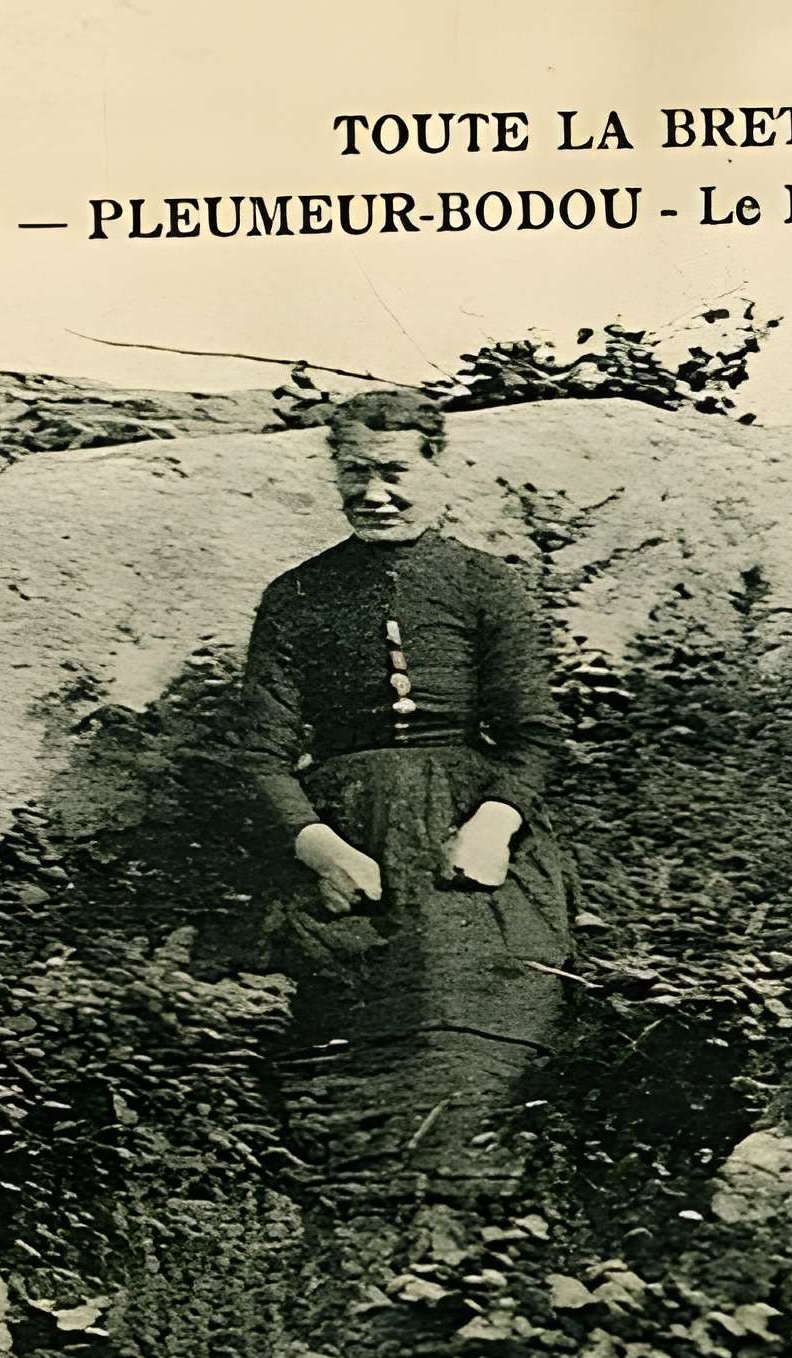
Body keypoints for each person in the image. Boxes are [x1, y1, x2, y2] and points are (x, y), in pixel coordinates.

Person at [213, 389, 578, 1207]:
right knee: (346, 994)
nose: (374, 493)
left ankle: (479, 1211)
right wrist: (320, 848)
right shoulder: (297, 595)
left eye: (394, 472)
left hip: (469, 825)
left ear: (438, 469)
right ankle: (353, 1210)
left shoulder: (486, 584)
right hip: (349, 829)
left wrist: (493, 826)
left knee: (480, 977)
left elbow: (534, 735)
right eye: (355, 473)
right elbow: (261, 757)